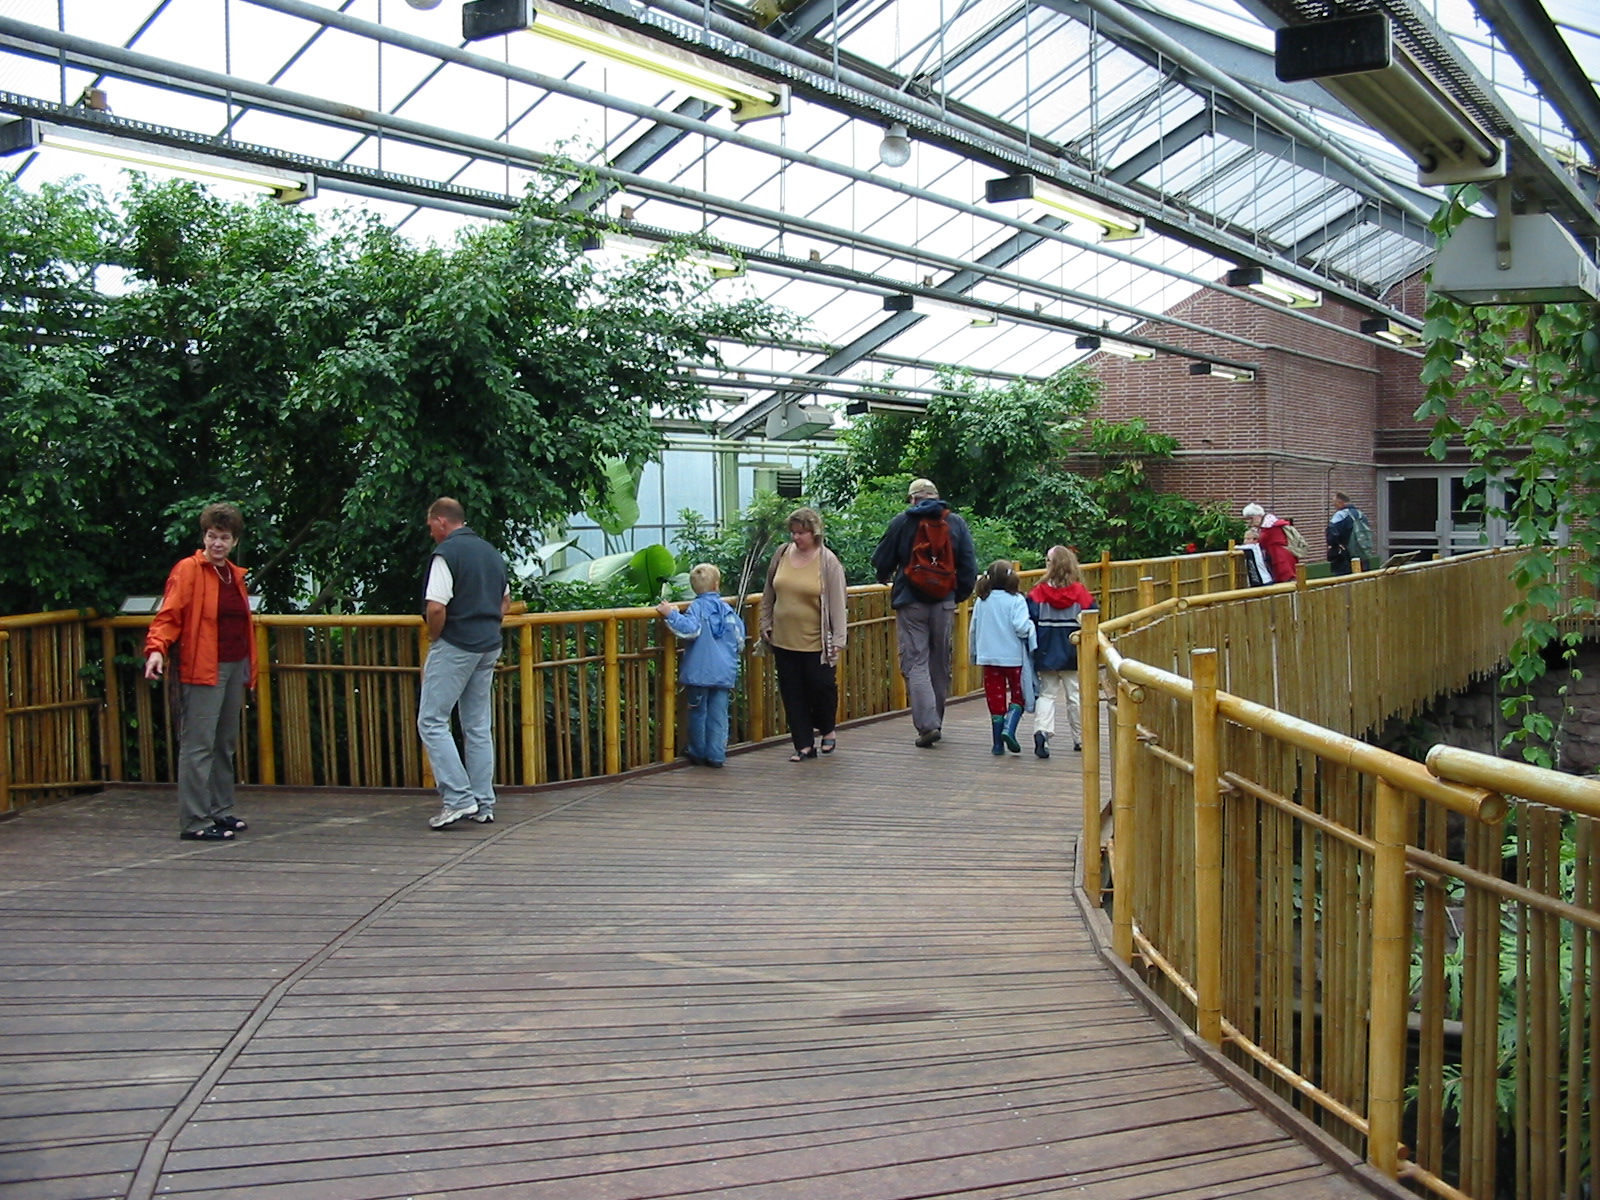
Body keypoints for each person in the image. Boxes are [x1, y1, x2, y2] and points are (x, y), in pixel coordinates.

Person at [143, 502, 257, 843]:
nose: (217, 543)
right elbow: (169, 614)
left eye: (224, 537)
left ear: (234, 541)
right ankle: (194, 820)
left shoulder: (234, 575)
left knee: (224, 741)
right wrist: (156, 649)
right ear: (204, 537)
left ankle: (220, 809)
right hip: (203, 666)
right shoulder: (188, 570)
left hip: (234, 664)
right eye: (212, 536)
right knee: (198, 744)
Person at [418, 497, 510, 829]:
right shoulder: (491, 553)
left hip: (456, 643)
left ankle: (458, 798)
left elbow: (436, 607)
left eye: (431, 526)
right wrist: (487, 625)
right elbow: (505, 601)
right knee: (477, 726)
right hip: (489, 644)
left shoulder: (447, 554)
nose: (431, 532)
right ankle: (483, 803)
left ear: (442, 521)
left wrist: (436, 638)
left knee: (431, 721)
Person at [871, 478, 979, 748]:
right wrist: (955, 595)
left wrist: (885, 575)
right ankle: (936, 721)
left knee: (916, 662)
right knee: (939, 663)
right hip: (944, 603)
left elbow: (881, 558)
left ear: (912, 499)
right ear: (936, 496)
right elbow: (968, 565)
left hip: (911, 602)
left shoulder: (903, 522)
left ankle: (928, 725)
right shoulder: (955, 523)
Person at [759, 507, 848, 762]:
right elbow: (769, 592)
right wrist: (765, 621)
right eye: (793, 532)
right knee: (791, 690)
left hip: (815, 641)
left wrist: (838, 639)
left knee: (822, 687)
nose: (796, 537)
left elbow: (837, 600)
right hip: (783, 638)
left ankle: (827, 728)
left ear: (814, 533)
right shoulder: (781, 554)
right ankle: (804, 744)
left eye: (801, 533)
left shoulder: (828, 561)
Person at [657, 563, 746, 768]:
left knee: (698, 712)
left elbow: (690, 629)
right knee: (718, 714)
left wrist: (671, 614)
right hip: (723, 672)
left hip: (699, 672)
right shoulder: (727, 610)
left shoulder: (696, 607)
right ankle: (716, 755)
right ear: (717, 585)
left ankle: (697, 751)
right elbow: (739, 639)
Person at [1027, 546, 1096, 757]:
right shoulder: (1080, 593)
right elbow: (1093, 614)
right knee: (1074, 694)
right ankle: (1081, 738)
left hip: (1046, 650)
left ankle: (1042, 730)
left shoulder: (1038, 592)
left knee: (1047, 693)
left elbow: (1030, 617)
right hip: (1072, 650)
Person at [969, 560, 1036, 755]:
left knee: (995, 699)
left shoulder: (982, 601)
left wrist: (974, 653)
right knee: (1019, 695)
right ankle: (1009, 728)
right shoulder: (1016, 600)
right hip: (1013, 657)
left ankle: (997, 744)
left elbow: (973, 629)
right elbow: (1021, 627)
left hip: (989, 657)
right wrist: (1031, 628)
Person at [1242, 502, 1298, 583]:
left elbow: (1261, 541)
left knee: (1286, 582)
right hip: (1280, 558)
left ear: (1258, 516)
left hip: (1280, 559)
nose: (1250, 522)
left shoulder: (1269, 527)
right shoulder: (1271, 525)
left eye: (1251, 518)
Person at [1326, 491, 1365, 575]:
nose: (1334, 505)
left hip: (1344, 559)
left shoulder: (1340, 515)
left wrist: (1335, 546)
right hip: (1362, 555)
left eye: (1334, 503)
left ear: (1340, 502)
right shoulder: (1360, 514)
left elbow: (1332, 534)